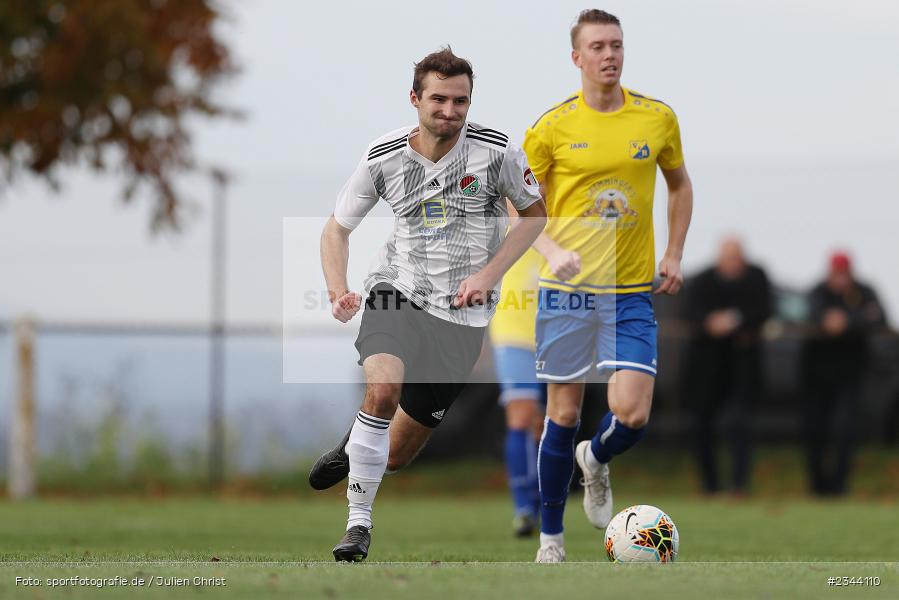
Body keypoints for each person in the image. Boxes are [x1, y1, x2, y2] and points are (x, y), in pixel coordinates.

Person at [314, 47, 546, 562]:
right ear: (415, 98)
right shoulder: (384, 155)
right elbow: (336, 228)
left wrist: (490, 274)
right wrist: (337, 287)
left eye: (460, 101)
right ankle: (358, 526)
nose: (449, 110)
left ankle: (356, 443)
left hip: (462, 318)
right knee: (382, 390)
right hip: (395, 291)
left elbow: (534, 216)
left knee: (393, 454)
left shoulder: (498, 151)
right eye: (438, 98)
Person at [522, 10, 693, 563]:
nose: (608, 55)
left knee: (634, 413)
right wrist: (550, 249)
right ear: (577, 57)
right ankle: (551, 539)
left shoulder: (656, 117)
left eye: (616, 44)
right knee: (563, 414)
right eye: (596, 46)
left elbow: (680, 184)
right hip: (567, 292)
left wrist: (673, 252)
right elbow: (515, 203)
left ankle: (594, 460)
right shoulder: (551, 127)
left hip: (629, 291)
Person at [683, 237, 772, 495]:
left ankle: (738, 485)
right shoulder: (702, 281)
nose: (733, 262)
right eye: (728, 257)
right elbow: (689, 313)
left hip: (742, 367)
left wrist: (736, 321)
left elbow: (765, 309)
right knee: (701, 425)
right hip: (706, 369)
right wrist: (710, 323)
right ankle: (709, 486)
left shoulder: (757, 278)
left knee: (740, 424)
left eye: (737, 257)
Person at [801, 251, 886, 496]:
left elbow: (878, 317)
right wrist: (826, 321)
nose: (840, 279)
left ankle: (840, 486)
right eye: (836, 274)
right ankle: (818, 486)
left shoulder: (863, 292)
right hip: (816, 376)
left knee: (844, 429)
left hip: (849, 375)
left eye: (844, 274)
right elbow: (809, 313)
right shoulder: (817, 291)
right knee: (815, 430)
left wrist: (847, 321)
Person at [488, 241, 546, 537]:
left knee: (548, 423)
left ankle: (539, 502)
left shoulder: (570, 216)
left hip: (559, 333)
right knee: (521, 418)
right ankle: (523, 507)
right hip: (514, 335)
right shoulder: (507, 221)